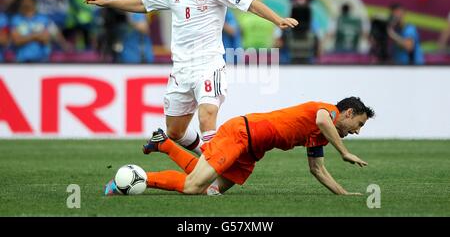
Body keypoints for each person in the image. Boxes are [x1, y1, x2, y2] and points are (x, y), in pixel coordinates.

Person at [85, 0, 298, 156]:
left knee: (206, 116)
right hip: (181, 70)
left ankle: (214, 174)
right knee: (175, 132)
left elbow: (250, 3)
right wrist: (107, 2)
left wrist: (278, 20)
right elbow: (143, 5)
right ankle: (208, 161)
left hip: (208, 64)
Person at [104, 96, 375, 196]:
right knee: (193, 187)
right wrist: (345, 152)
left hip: (252, 151)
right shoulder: (327, 111)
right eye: (359, 124)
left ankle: (164, 144)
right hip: (242, 134)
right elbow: (322, 120)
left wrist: (342, 193)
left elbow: (317, 169)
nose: (357, 131)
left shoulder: (320, 136)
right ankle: (135, 181)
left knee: (209, 187)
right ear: (348, 113)